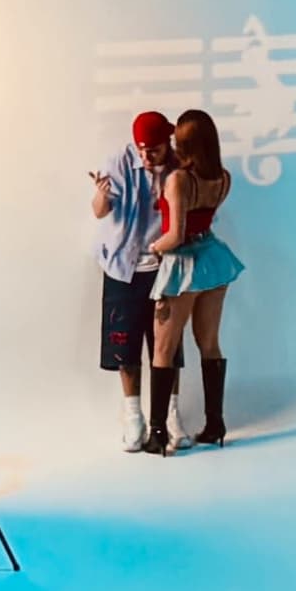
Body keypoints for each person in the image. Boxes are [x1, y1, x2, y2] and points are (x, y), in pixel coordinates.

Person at [144, 108, 246, 453]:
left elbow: (176, 235)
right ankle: (214, 423)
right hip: (214, 260)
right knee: (209, 343)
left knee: (163, 349)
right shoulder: (224, 177)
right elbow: (203, 221)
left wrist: (153, 247)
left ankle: (157, 433)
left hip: (183, 263)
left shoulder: (179, 180)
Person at [88, 111, 175, 453]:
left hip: (165, 267)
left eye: (152, 150)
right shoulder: (120, 162)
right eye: (141, 150)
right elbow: (99, 211)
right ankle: (133, 415)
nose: (146, 157)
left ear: (166, 143)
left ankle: (168, 416)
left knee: (166, 347)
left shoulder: (178, 168)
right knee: (125, 348)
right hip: (123, 267)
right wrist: (103, 195)